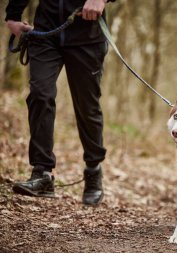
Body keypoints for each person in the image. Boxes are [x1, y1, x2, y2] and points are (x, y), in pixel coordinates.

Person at [5, 0, 115, 205]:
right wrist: (13, 15)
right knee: (40, 94)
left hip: (87, 35)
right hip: (46, 32)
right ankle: (42, 173)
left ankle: (93, 171)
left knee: (86, 106)